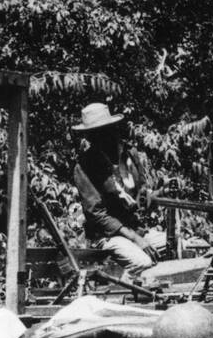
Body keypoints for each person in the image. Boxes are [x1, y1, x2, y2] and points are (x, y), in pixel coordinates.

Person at [71, 102, 166, 276]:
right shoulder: (85, 166)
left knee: (178, 245)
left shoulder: (129, 154)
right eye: (96, 133)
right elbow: (97, 214)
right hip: (109, 236)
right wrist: (136, 239)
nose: (104, 136)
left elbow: (142, 192)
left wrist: (156, 195)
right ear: (90, 136)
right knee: (144, 263)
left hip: (136, 229)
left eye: (107, 129)